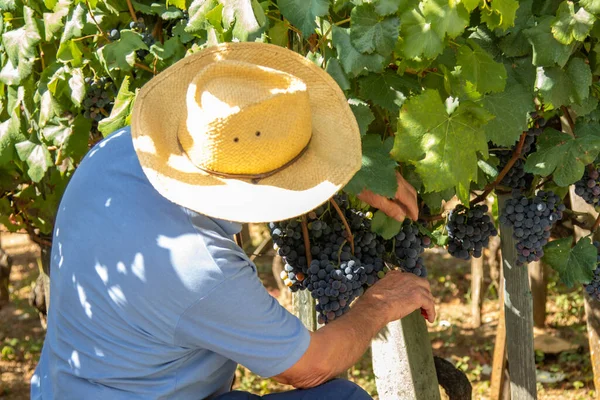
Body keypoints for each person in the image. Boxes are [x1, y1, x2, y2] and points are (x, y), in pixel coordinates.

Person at [30, 42, 436, 400]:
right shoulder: (201, 268)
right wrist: (377, 305)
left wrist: (339, 174)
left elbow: (242, 157)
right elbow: (311, 366)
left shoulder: (121, 153)